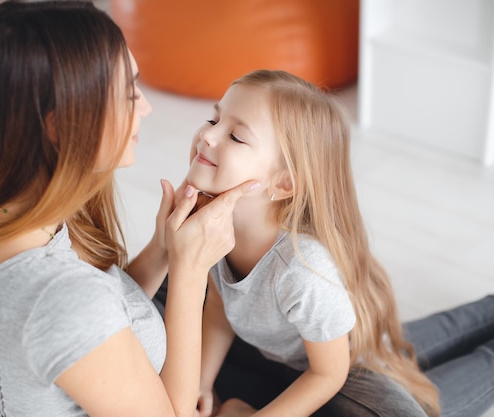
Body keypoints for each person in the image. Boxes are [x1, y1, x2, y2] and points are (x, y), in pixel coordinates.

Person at [0, 2, 260, 416]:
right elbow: (77, 315)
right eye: (129, 93)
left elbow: (93, 329)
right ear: (58, 125)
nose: (144, 107)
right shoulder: (63, 300)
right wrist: (191, 272)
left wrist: (163, 250)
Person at [178, 69, 494, 417]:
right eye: (213, 119)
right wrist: (200, 382)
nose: (207, 136)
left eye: (236, 136)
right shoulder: (214, 229)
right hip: (318, 349)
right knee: (457, 326)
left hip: (352, 367)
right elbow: (222, 307)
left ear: (283, 184)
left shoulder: (301, 272)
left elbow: (328, 373)